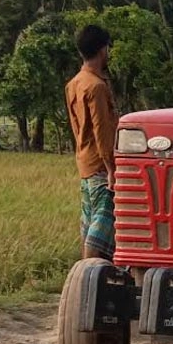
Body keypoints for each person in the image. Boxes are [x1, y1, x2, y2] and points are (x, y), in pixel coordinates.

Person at [65, 24, 119, 260]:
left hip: (84, 162)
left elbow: (76, 127)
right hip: (99, 165)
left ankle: (87, 270)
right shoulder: (96, 86)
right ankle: (88, 273)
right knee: (101, 224)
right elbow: (102, 131)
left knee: (88, 222)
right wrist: (111, 169)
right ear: (102, 50)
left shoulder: (74, 83)